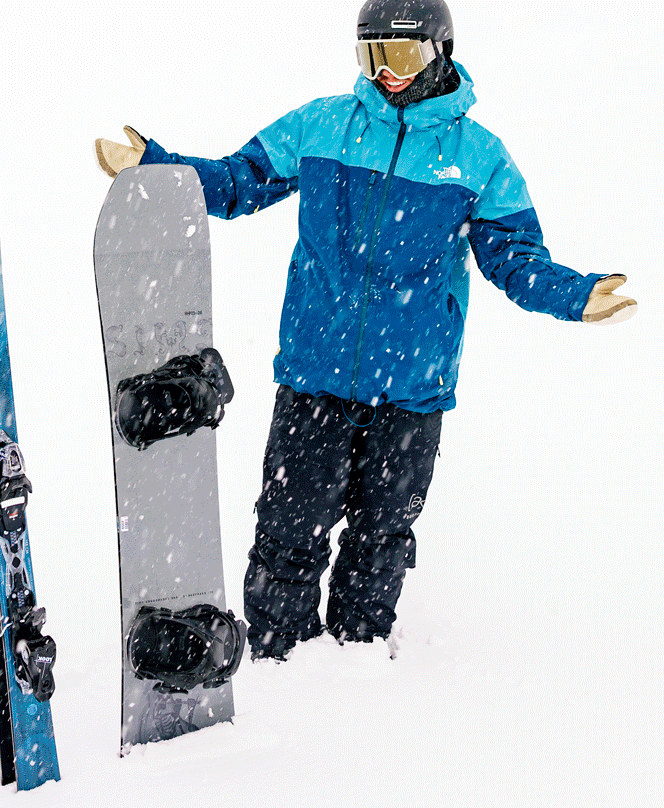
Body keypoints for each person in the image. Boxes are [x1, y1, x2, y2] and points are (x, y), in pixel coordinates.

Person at [93, 0, 635, 661]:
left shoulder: (479, 158)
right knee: (287, 533)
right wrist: (157, 166)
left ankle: (360, 667)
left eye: (401, 54)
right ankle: (279, 659)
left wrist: (574, 295)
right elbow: (239, 181)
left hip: (411, 390)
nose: (386, 73)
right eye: (372, 56)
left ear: (439, 52)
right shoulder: (324, 126)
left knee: (380, 542)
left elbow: (514, 257)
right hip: (315, 375)